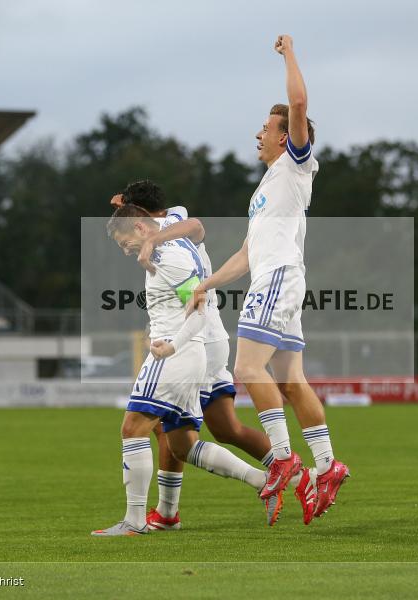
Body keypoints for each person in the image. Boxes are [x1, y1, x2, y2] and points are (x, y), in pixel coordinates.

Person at [191, 35, 349, 521]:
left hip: (278, 280)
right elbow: (244, 253)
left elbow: (298, 101)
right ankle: (327, 465)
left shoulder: (296, 164)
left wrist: (289, 55)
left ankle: (282, 458)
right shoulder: (266, 187)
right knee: (292, 383)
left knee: (247, 372)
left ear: (286, 136)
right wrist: (207, 283)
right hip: (275, 277)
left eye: (265, 127)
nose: (257, 134)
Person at [112, 180, 312, 527]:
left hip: (196, 338)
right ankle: (289, 475)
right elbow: (180, 226)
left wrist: (173, 340)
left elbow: (195, 229)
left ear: (141, 217)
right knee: (222, 428)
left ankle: (164, 512)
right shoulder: (169, 227)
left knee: (163, 427)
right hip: (208, 336)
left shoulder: (169, 237)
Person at [92, 205, 272, 537]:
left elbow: (199, 305)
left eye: (124, 240)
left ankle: (133, 522)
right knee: (182, 444)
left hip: (175, 357)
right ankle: (262, 480)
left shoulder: (169, 257)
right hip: (187, 356)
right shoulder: (164, 249)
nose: (124, 248)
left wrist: (172, 345)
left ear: (142, 228)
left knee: (133, 428)